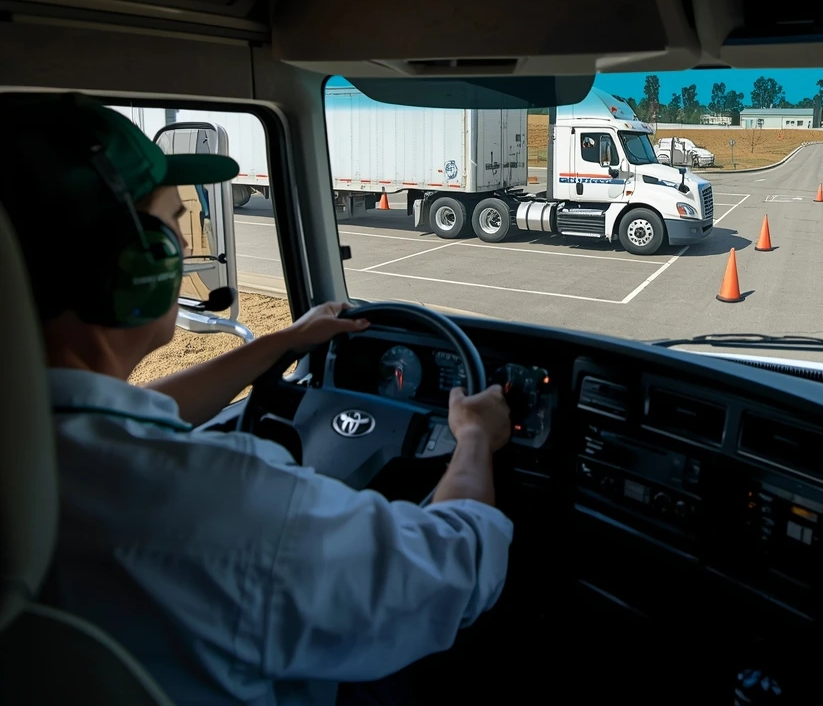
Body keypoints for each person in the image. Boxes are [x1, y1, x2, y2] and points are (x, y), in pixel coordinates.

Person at [1, 92, 514, 705]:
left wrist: (287, 341)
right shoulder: (220, 503)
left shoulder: (34, 437)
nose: (184, 248)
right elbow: (454, 569)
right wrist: (476, 439)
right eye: (172, 226)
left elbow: (113, 417)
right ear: (135, 267)